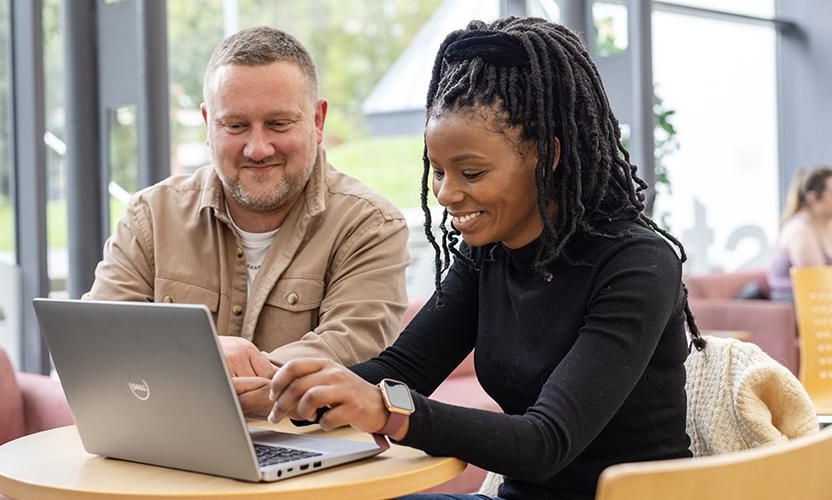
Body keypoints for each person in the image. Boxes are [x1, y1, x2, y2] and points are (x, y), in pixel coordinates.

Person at [265, 17, 704, 500]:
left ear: (549, 156)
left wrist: (387, 411)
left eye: (471, 172)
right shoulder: (487, 256)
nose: (447, 194)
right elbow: (401, 370)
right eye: (437, 171)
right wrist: (276, 385)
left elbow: (545, 442)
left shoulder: (638, 263)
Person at [84, 26, 410, 418]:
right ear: (208, 124)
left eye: (278, 124)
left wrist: (184, 365)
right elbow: (97, 342)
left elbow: (347, 354)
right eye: (235, 126)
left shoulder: (371, 226)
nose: (257, 148)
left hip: (317, 465)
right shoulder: (150, 216)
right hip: (169, 460)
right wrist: (213, 355)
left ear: (318, 121)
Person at [766, 165, 832, 301]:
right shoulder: (800, 230)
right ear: (812, 198)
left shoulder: (826, 224)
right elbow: (820, 284)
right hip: (799, 305)